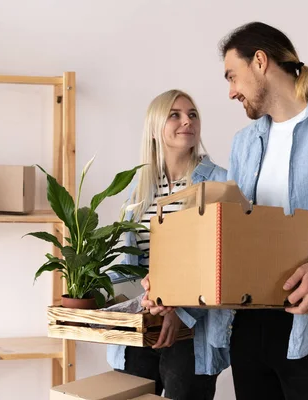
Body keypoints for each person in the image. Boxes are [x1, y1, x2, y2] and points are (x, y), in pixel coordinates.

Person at [144, 21, 308, 400]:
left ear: (260, 62)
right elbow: (229, 238)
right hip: (248, 331)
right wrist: (173, 289)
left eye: (232, 76)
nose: (231, 92)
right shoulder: (245, 143)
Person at [106, 89, 229, 400]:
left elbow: (224, 263)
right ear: (155, 126)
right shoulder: (138, 188)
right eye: (175, 114)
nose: (186, 121)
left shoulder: (220, 183)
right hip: (141, 325)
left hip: (191, 331)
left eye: (192, 114)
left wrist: (180, 313)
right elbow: (128, 264)